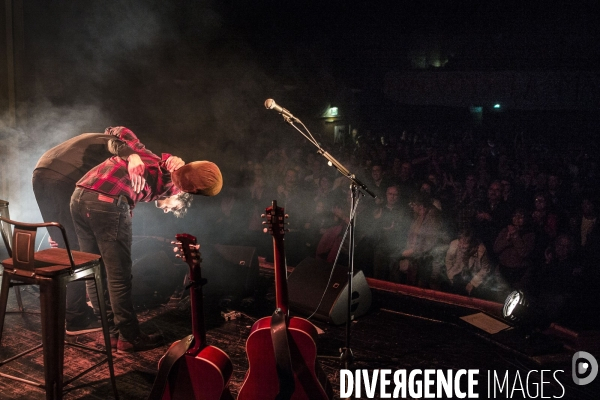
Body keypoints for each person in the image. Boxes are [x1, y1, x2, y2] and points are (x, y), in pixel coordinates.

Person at [69, 126, 195, 353]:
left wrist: (133, 154)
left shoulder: (146, 156)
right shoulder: (173, 185)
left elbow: (117, 132)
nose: (168, 211)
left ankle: (113, 334)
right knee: (119, 276)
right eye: (175, 208)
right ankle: (129, 337)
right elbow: (175, 169)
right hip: (106, 201)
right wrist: (177, 162)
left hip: (80, 195)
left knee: (95, 271)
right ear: (181, 196)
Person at [32, 127, 147, 335]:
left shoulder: (98, 139)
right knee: (77, 252)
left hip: (41, 172)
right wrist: (134, 157)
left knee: (65, 246)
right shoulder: (119, 144)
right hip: (62, 176)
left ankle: (74, 311)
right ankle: (76, 318)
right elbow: (117, 144)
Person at [443, 229, 492, 297]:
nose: (461, 245)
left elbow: (485, 269)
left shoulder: (481, 250)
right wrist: (450, 275)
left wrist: (473, 283)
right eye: (460, 242)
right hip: (457, 273)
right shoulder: (454, 244)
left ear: (472, 243)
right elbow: (448, 260)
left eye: (465, 243)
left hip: (474, 275)